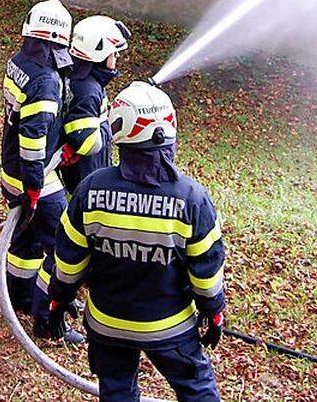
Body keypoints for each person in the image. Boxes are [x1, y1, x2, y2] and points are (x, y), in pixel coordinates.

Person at [48, 81, 226, 401]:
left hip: (107, 325)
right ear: (169, 131)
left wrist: (59, 298)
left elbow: (69, 259)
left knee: (117, 390)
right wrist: (213, 311)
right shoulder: (192, 199)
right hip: (170, 328)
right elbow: (206, 271)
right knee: (196, 389)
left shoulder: (91, 189)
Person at [0, 0, 84, 345]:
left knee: (25, 240)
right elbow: (33, 136)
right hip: (36, 178)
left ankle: (18, 294)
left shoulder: (19, 62)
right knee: (61, 247)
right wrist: (35, 186)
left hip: (12, 170)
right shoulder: (46, 80)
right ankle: (48, 321)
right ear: (58, 39)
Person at [60, 15, 131, 194]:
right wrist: (110, 129)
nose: (117, 55)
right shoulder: (88, 90)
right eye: (114, 51)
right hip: (87, 170)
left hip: (81, 169)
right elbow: (86, 143)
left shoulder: (78, 76)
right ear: (99, 53)